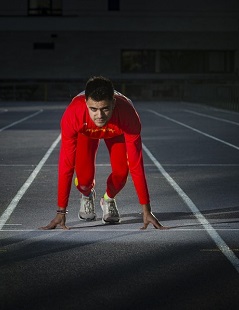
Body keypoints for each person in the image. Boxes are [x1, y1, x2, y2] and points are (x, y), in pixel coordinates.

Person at [41, 76, 167, 230]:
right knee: (84, 180)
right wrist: (61, 211)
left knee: (121, 175)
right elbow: (66, 164)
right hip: (86, 132)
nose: (99, 116)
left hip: (116, 131)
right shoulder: (73, 114)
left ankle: (108, 199)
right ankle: (87, 195)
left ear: (114, 103)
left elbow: (136, 164)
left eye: (105, 108)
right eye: (93, 109)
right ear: (86, 103)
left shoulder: (128, 114)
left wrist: (146, 210)